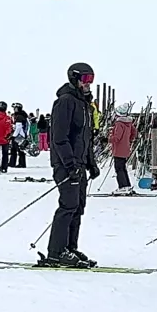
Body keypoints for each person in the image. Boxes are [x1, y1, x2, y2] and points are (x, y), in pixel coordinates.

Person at [41, 63, 99, 268]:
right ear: (74, 79)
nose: (89, 84)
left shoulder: (84, 104)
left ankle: (70, 247)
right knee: (68, 205)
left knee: (78, 207)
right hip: (66, 164)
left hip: (79, 164)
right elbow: (59, 138)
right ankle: (56, 252)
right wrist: (70, 164)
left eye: (91, 79)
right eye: (85, 80)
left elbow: (85, 138)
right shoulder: (65, 102)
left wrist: (91, 163)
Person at [109, 113, 136, 195]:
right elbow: (134, 133)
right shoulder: (129, 123)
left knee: (119, 168)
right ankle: (127, 185)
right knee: (123, 168)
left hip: (118, 149)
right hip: (125, 148)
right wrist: (128, 140)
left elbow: (117, 137)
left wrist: (110, 138)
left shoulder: (119, 124)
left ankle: (122, 186)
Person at [10, 103, 31, 168]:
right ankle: (21, 163)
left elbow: (18, 127)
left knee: (15, 149)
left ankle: (14, 163)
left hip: (19, 135)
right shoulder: (23, 115)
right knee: (20, 149)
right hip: (23, 135)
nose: (14, 109)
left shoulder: (19, 116)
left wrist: (13, 136)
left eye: (15, 108)